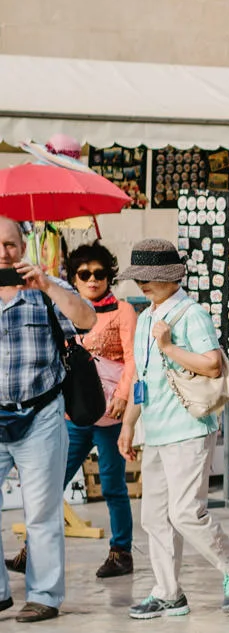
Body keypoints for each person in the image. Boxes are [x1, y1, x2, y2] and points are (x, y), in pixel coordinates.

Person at [118, 239, 229, 621]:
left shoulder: (191, 314)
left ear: (170, 277)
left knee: (185, 512)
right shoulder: (145, 318)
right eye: (139, 277)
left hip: (189, 427)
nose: (142, 284)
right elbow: (141, 382)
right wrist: (129, 425)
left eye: (149, 277)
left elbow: (212, 365)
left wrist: (168, 347)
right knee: (155, 517)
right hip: (156, 430)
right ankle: (167, 592)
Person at [7, 243, 137, 580]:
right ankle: (32, 550)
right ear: (74, 278)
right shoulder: (58, 304)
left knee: (112, 485)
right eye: (84, 274)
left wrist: (124, 395)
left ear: (110, 276)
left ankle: (121, 550)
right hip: (72, 412)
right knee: (49, 484)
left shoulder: (123, 311)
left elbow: (134, 359)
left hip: (109, 412)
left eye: (100, 274)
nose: (93, 280)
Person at [0, 217, 97, 621]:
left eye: (9, 244)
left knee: (40, 511)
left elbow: (88, 319)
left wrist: (48, 285)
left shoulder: (45, 289)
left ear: (22, 247)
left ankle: (44, 595)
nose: (3, 252)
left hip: (40, 413)